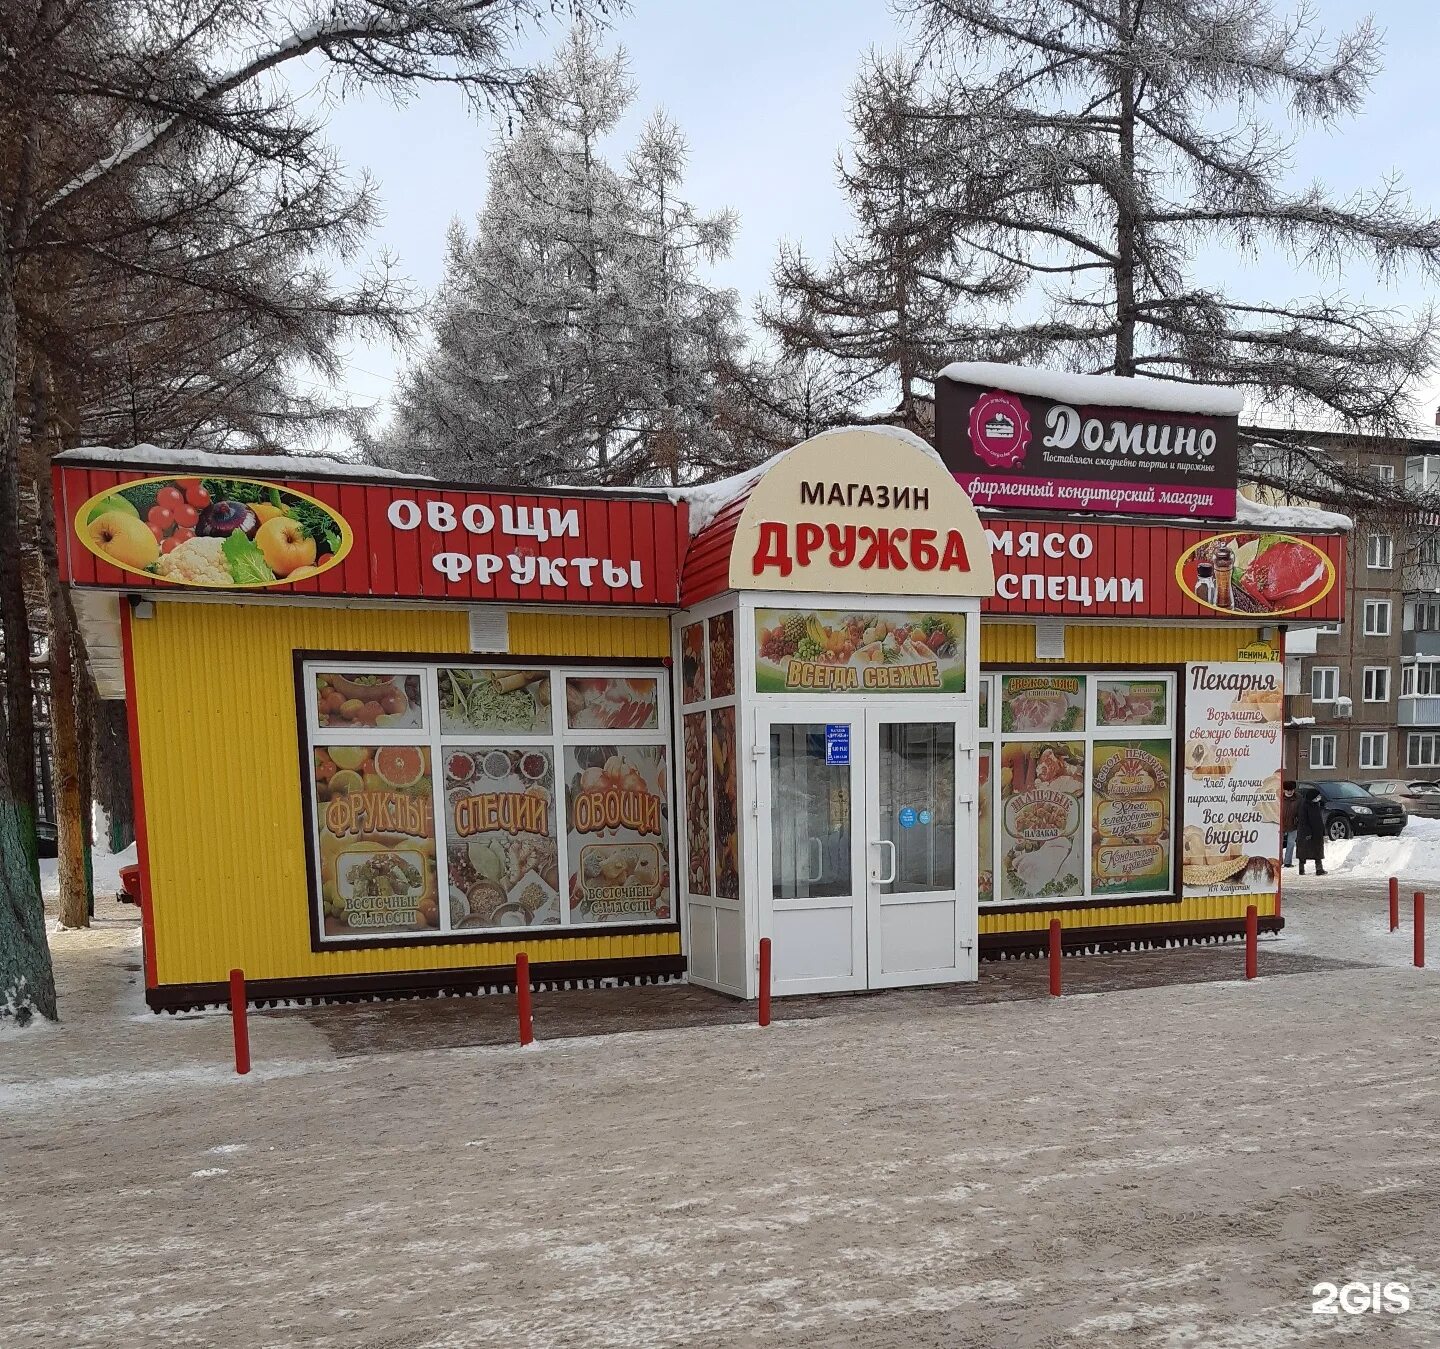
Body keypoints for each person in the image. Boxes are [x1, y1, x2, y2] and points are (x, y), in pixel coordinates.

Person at [1296, 786, 1327, 876]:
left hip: (1317, 832)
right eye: (1317, 796)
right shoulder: (1304, 806)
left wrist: (1322, 831)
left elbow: (1319, 819)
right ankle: (1301, 869)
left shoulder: (1316, 804)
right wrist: (1308, 833)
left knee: (1318, 851)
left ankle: (1319, 869)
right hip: (1306, 833)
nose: (1319, 798)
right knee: (1303, 851)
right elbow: (1303, 821)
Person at [1281, 780, 1299, 867]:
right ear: (1284, 790)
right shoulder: (1279, 798)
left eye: (1291, 790)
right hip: (1280, 824)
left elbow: (1301, 811)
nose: (1289, 792)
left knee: (1291, 843)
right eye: (1288, 790)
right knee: (1279, 844)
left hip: (1293, 824)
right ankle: (1279, 861)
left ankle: (1287, 862)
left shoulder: (1298, 798)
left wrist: (1299, 820)